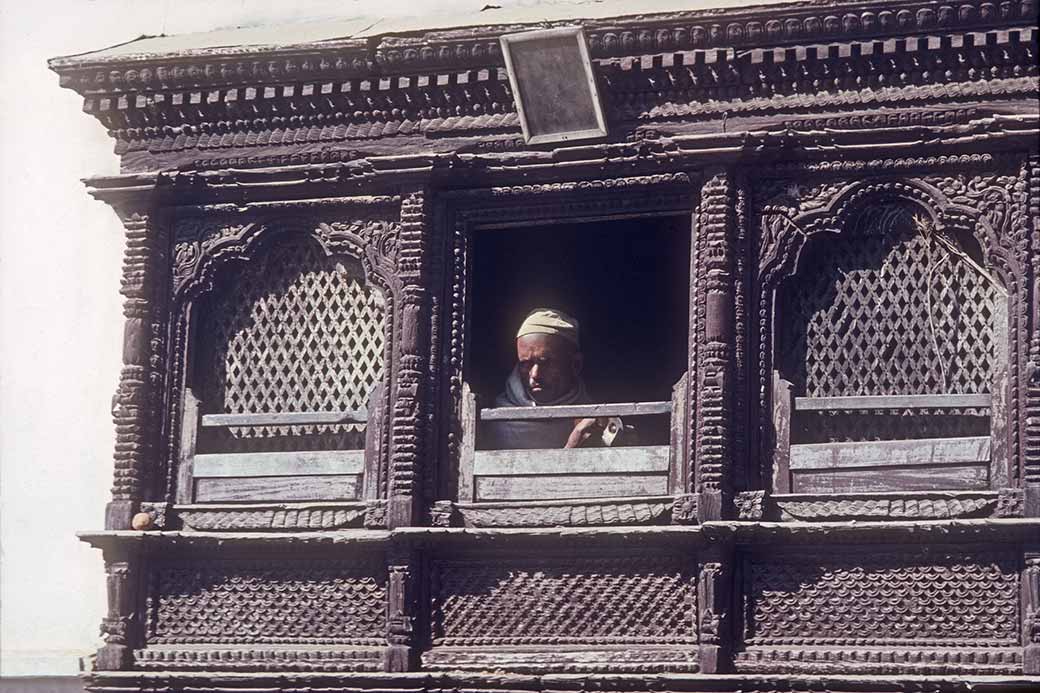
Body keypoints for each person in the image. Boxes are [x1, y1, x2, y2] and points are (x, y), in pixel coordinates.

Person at [481, 308, 623, 449]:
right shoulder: (496, 422)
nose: (535, 374)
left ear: (576, 364)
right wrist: (573, 449)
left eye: (544, 362)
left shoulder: (596, 420)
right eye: (525, 364)